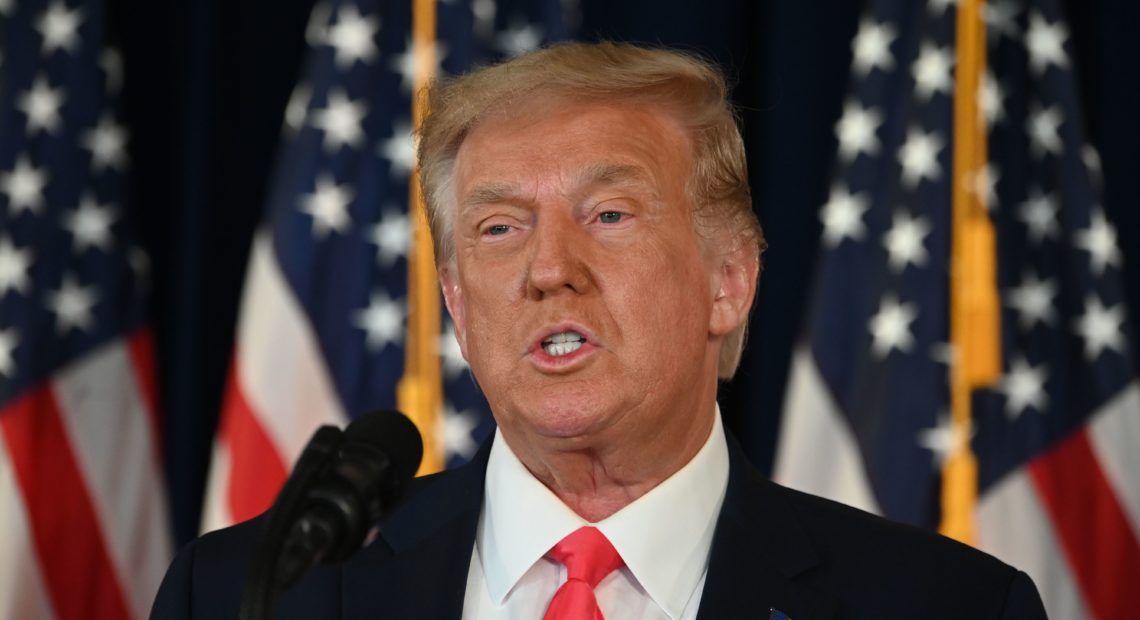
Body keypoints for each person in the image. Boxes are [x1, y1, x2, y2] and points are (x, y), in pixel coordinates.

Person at [151, 42, 1047, 619]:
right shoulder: (249, 596)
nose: (549, 269)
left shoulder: (946, 607)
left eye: (609, 214)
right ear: (458, 306)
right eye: (500, 228)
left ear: (728, 282)